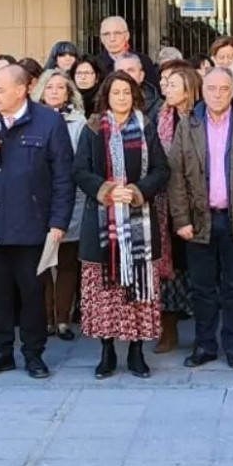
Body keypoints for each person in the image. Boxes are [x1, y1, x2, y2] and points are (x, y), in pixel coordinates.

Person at [0, 65, 75, 380]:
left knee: (32, 293)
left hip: (32, 225)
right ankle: (1, 352)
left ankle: (33, 354)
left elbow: (63, 177)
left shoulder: (48, 121)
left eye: (0, 90)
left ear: (21, 90)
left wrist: (59, 223)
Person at [73, 70, 169, 379]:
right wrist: (108, 191)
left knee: (138, 291)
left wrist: (138, 192)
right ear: (106, 96)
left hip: (139, 222)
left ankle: (137, 352)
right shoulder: (91, 128)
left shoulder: (146, 127)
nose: (122, 98)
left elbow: (161, 169)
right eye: (116, 93)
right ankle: (107, 352)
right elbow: (80, 171)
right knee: (105, 292)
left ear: (135, 95)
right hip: (101, 222)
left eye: (127, 93)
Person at [167, 66, 233, 369]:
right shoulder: (188, 125)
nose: (217, 94)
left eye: (224, 89)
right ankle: (205, 345)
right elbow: (175, 178)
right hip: (198, 220)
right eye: (212, 88)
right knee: (202, 289)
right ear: (202, 91)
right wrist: (181, 220)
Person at [30, 69, 86, 341]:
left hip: (71, 198)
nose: (54, 92)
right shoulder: (30, 119)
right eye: (49, 87)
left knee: (66, 263)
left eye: (60, 88)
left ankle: (63, 319)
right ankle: (46, 318)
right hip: (37, 200)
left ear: (68, 93)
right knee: (41, 263)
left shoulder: (79, 121)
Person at [151, 63, 201, 354]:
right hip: (163, 207)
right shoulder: (159, 117)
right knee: (167, 273)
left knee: (197, 271)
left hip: (197, 206)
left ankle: (203, 334)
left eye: (172, 84)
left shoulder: (201, 119)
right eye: (165, 84)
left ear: (188, 90)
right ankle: (167, 331)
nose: (166, 88)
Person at [95, 16, 158, 86]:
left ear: (127, 36)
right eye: (106, 34)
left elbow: (153, 91)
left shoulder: (143, 61)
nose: (112, 39)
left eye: (117, 33)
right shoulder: (95, 64)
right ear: (101, 39)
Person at [117, 53, 162, 120]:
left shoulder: (160, 106)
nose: (125, 75)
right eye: (120, 71)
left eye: (131, 70)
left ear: (141, 75)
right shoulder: (103, 103)